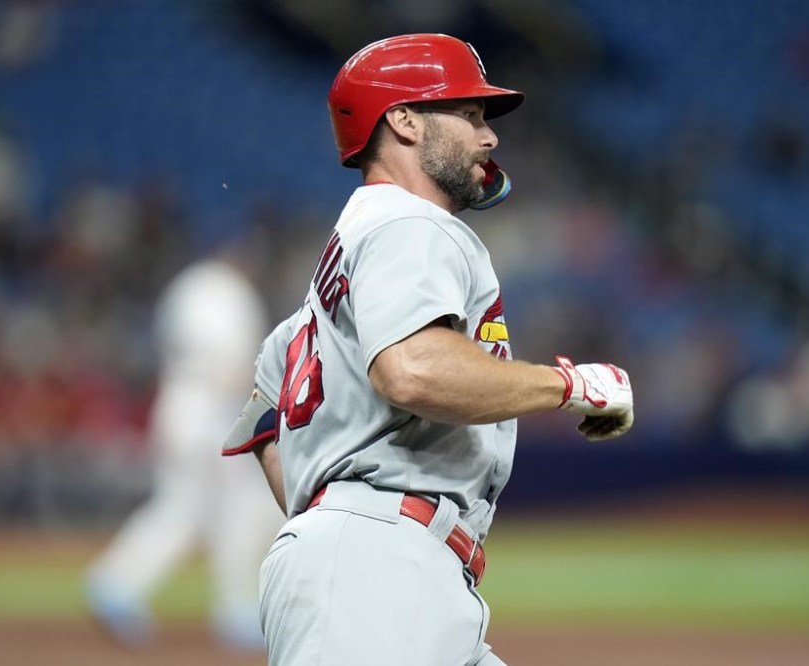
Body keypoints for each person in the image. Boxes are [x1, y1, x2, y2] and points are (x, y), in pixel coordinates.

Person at [222, 33, 635, 665]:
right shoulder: (410, 223)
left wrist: (327, 519)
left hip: (383, 568)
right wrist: (570, 386)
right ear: (404, 120)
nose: (488, 136)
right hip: (378, 571)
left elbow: (263, 423)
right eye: (468, 114)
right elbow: (410, 370)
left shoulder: (336, 272)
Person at [86, 244, 286, 651]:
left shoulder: (186, 287)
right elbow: (233, 368)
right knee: (241, 509)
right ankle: (237, 609)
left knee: (183, 508)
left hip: (177, 407)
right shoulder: (229, 292)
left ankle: (115, 583)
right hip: (211, 416)